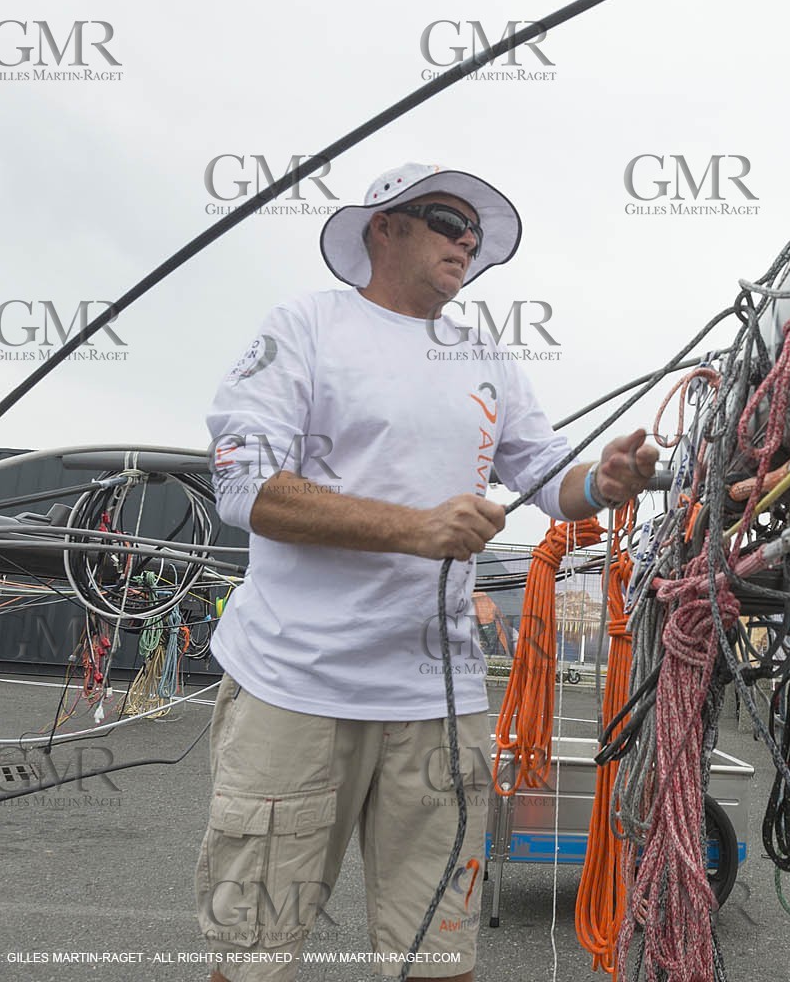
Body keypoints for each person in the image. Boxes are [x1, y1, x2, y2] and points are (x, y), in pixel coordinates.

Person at [196, 163, 658, 982]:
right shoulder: (305, 325)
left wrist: (606, 480)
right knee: (252, 957)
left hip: (437, 700)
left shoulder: (485, 356)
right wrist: (416, 529)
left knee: (441, 957)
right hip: (294, 689)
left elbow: (549, 474)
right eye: (448, 219)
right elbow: (242, 483)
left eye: (474, 231)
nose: (468, 239)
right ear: (385, 226)